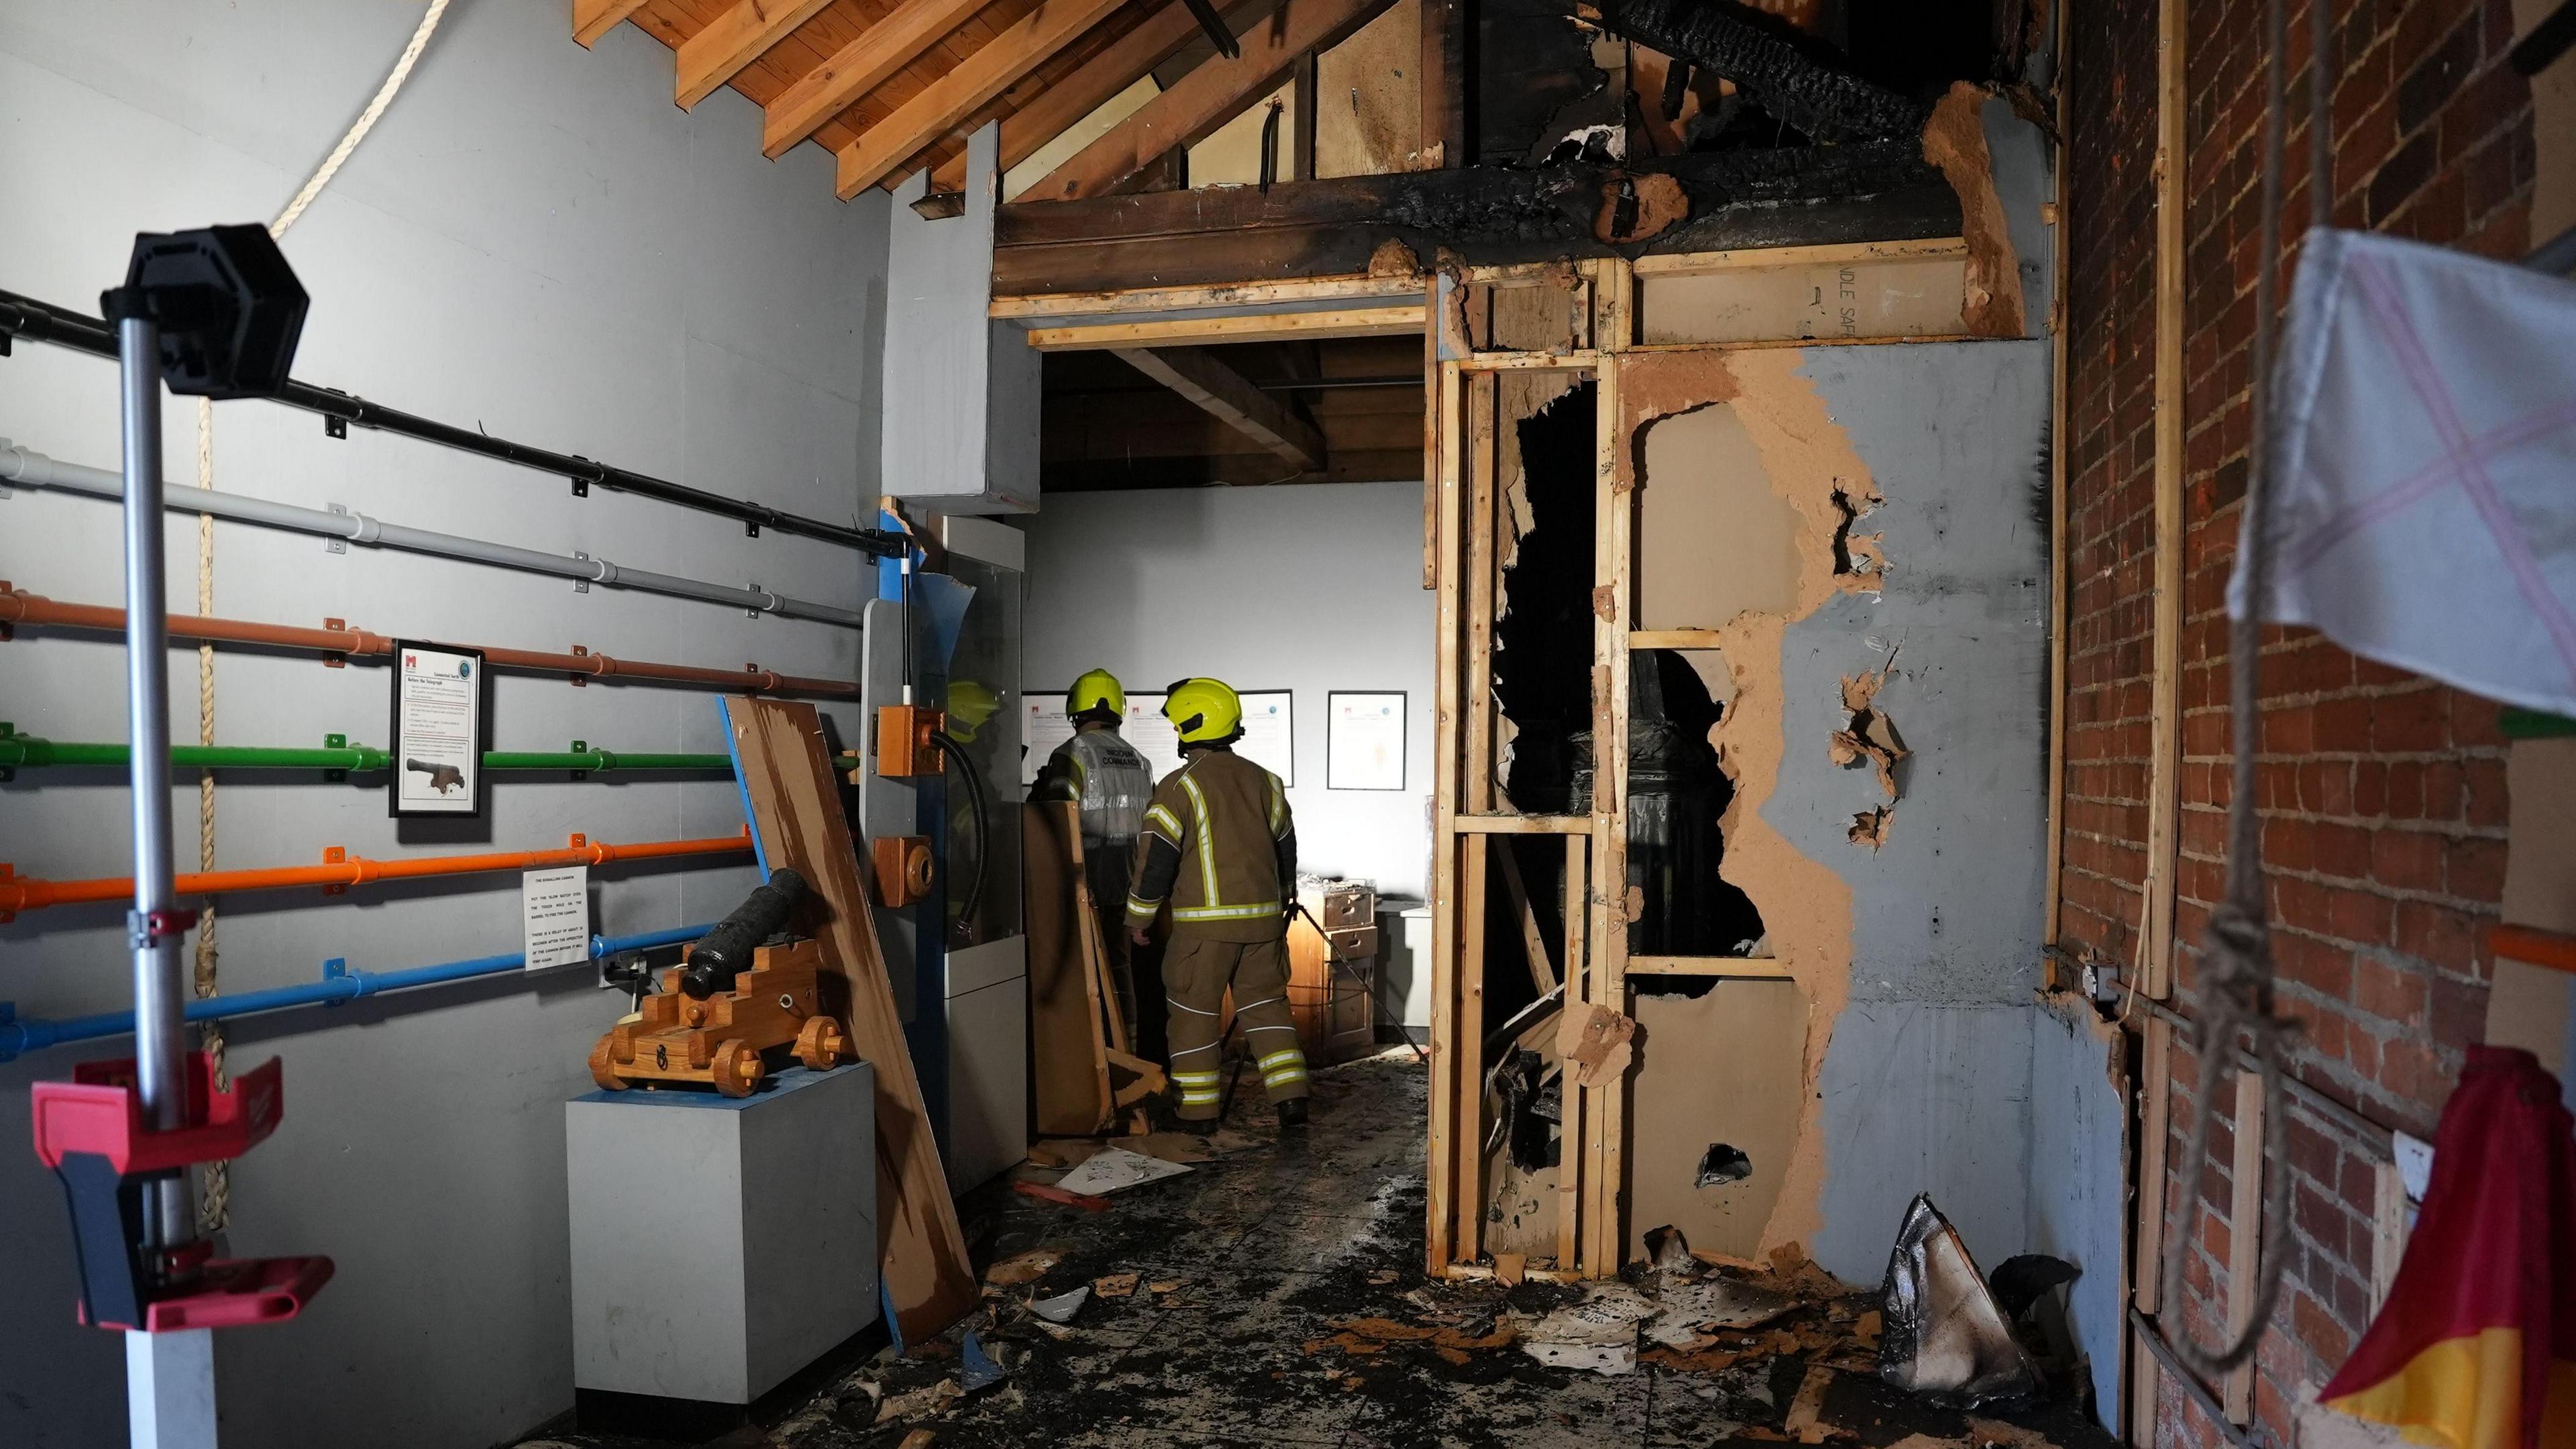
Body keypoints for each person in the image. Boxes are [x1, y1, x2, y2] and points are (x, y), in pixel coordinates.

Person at [1124, 677, 1309, 1130]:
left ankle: (1198, 1116)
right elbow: (1287, 849)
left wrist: (1138, 918)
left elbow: (1155, 864)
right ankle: (1292, 1102)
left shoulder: (1179, 787)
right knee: (1268, 1012)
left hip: (1203, 935)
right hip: (1264, 927)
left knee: (1193, 1019)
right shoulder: (1266, 781)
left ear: (1190, 723)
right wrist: (1284, 899)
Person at [1032, 669, 1156, 1045]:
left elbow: (1054, 816)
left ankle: (1092, 1059)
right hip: (1128, 884)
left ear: (1075, 711)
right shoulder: (1140, 761)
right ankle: (1128, 1051)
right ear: (1117, 711)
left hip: (1083, 884)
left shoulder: (1073, 754)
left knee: (1080, 977)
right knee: (1121, 973)